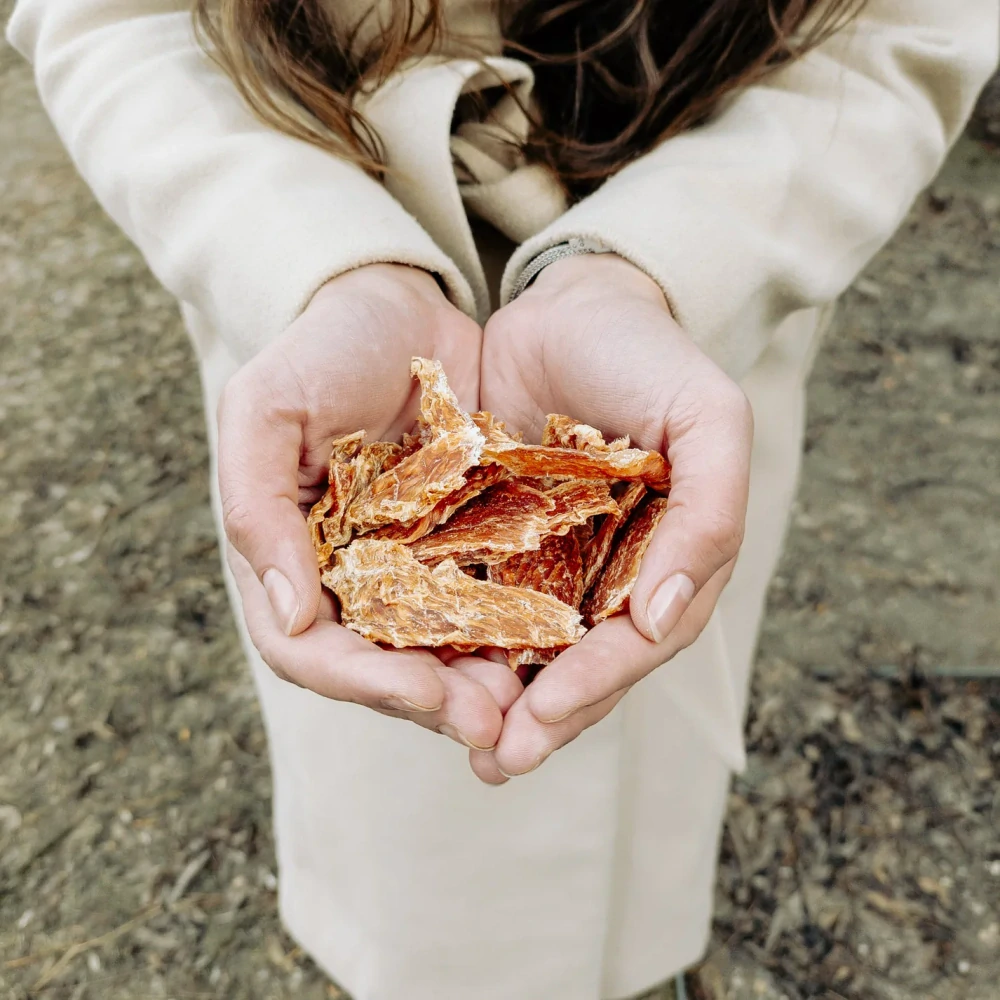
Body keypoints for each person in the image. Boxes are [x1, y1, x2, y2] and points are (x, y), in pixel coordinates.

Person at [7, 0, 997, 996]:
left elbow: (914, 24)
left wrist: (650, 266)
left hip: (689, 323)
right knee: (396, 801)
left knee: (643, 702)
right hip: (313, 309)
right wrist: (326, 265)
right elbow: (109, 19)